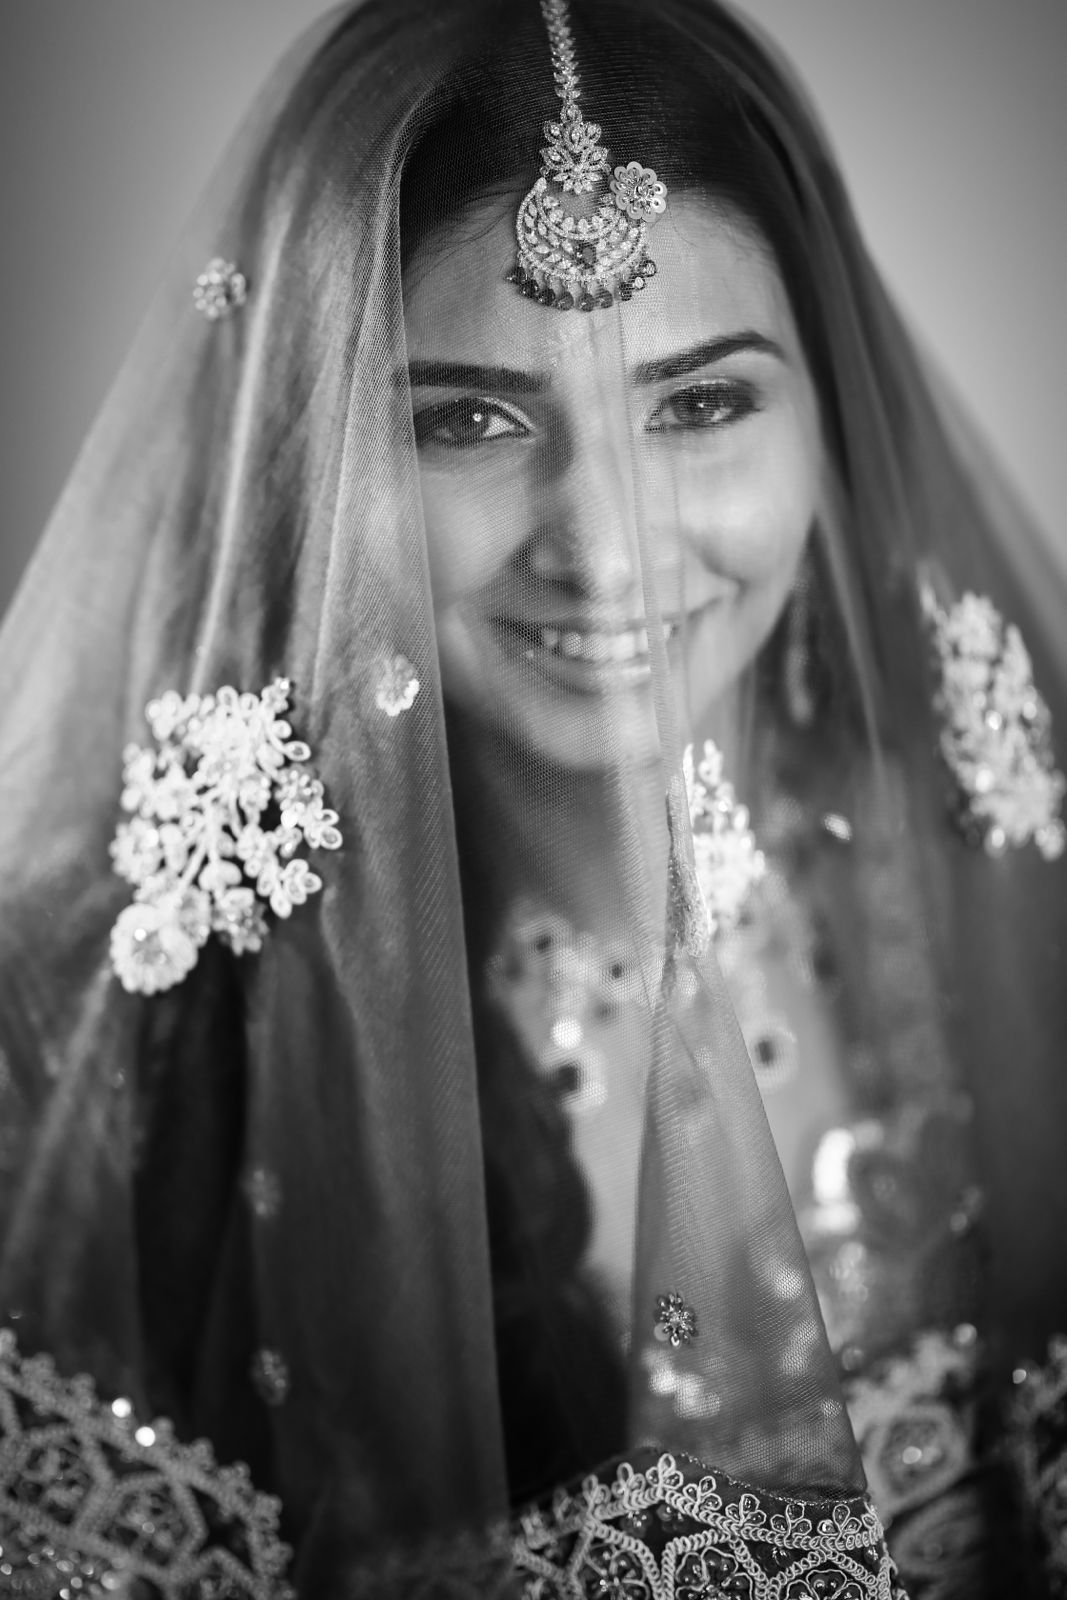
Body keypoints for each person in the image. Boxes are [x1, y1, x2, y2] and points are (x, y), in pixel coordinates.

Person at [0, 0, 1064, 1595]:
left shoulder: (1009, 876)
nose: (611, 548)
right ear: (309, 451)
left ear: (831, 415)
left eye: (700, 404)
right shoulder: (93, 1061)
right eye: (468, 421)